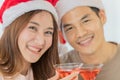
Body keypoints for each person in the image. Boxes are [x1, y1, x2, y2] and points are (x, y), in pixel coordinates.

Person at [55, 0, 120, 80]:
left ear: (102, 17)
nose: (81, 34)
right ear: (61, 35)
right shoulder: (58, 70)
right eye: (70, 28)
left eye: (86, 21)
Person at [0, 0, 60, 80]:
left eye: (48, 32)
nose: (41, 41)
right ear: (13, 29)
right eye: (32, 28)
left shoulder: (49, 72)